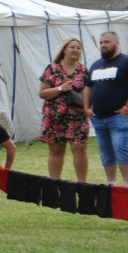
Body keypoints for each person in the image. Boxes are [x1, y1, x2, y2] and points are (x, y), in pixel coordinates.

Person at [85, 31, 128, 186]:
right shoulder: (96, 65)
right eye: (101, 42)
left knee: (120, 149)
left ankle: (126, 183)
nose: (103, 45)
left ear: (116, 43)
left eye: (107, 42)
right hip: (99, 118)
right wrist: (86, 107)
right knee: (105, 152)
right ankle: (111, 182)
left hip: (119, 117)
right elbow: (88, 88)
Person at [38, 37, 90, 182]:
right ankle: (55, 184)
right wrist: (61, 88)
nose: (75, 50)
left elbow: (91, 92)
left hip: (77, 116)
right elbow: (42, 93)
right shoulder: (53, 68)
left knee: (79, 149)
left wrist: (86, 106)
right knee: (56, 151)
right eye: (72, 47)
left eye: (78, 48)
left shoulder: (84, 71)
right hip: (54, 116)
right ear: (64, 50)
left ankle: (82, 184)